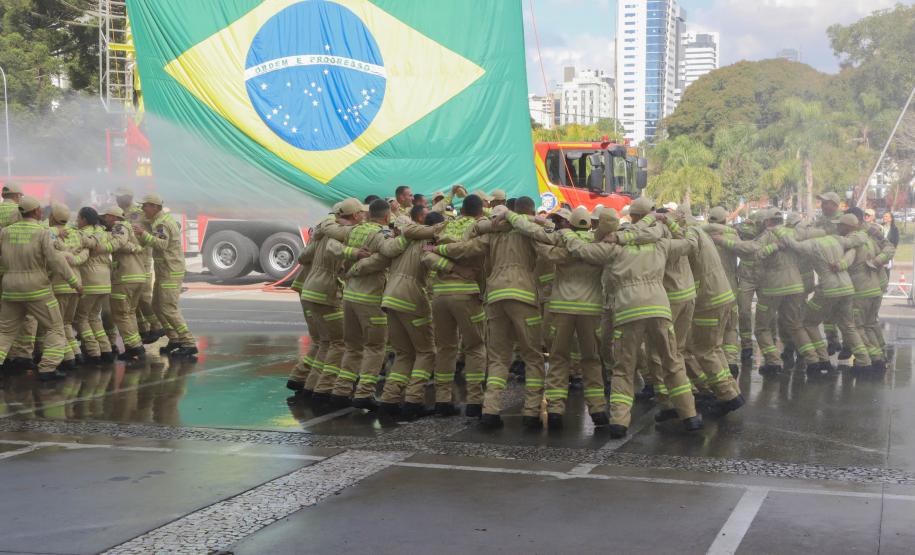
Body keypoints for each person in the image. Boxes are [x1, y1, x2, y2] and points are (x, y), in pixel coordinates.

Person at [560, 200, 703, 438]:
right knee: (672, 362)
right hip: (659, 309)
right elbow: (691, 243)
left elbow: (582, 251)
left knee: (623, 368)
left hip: (627, 311)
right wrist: (669, 223)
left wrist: (567, 234)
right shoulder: (660, 245)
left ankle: (619, 421)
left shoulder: (615, 248)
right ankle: (689, 415)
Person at [431, 197, 545, 430]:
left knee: (498, 357)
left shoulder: (493, 233)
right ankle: (532, 413)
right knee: (532, 355)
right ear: (529, 212)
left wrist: (437, 249)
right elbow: (550, 250)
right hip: (523, 296)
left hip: (495, 297)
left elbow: (466, 248)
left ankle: (490, 410)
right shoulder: (531, 231)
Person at [507, 206, 609, 430]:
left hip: (561, 307)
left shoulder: (563, 239)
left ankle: (554, 410)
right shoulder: (596, 244)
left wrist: (516, 218)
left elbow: (540, 242)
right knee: (591, 360)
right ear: (590, 225)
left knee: (558, 358)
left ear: (570, 224)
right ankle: (598, 410)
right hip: (591, 310)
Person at [320, 199, 392, 410]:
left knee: (352, 348)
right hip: (370, 299)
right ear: (387, 217)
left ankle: (341, 391)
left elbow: (332, 245)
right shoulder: (382, 234)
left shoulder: (354, 231)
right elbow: (386, 256)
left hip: (350, 297)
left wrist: (351, 261)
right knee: (375, 347)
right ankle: (364, 393)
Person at [420, 194, 489, 417]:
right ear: (480, 211)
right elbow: (482, 256)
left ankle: (442, 400)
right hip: (467, 294)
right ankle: (475, 401)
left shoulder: (444, 226)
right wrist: (461, 272)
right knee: (475, 347)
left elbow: (426, 255)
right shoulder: (479, 227)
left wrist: (447, 266)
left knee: (446, 348)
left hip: (439, 295)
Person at [0, 196, 82, 381]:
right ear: (36, 211)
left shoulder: (5, 232)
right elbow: (56, 260)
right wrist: (74, 283)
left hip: (10, 288)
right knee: (55, 328)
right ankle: (47, 368)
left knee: (4, 332)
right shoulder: (42, 232)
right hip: (37, 289)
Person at [132, 193, 198, 357]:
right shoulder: (158, 221)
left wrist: (143, 234)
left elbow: (162, 244)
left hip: (170, 271)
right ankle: (174, 338)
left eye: (145, 206)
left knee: (168, 309)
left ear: (154, 207)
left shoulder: (162, 224)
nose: (143, 209)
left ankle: (189, 343)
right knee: (157, 306)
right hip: (164, 271)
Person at [115, 186, 164, 344]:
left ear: (128, 197)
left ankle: (157, 326)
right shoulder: (121, 214)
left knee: (143, 297)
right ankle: (143, 329)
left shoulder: (139, 213)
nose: (116, 199)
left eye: (119, 196)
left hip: (142, 259)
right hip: (128, 261)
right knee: (132, 301)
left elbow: (159, 225)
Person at [100, 206, 148, 361]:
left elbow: (119, 242)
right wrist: (132, 247)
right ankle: (134, 344)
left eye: (106, 217)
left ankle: (134, 347)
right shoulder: (130, 228)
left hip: (125, 279)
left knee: (120, 314)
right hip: (138, 277)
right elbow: (129, 244)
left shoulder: (119, 226)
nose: (104, 220)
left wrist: (103, 248)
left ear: (113, 217)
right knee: (129, 313)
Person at [73, 207, 116, 364]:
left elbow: (77, 252)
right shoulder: (103, 232)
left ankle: (93, 351)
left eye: (78, 218)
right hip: (105, 281)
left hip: (90, 281)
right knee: (94, 317)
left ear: (84, 219)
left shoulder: (82, 234)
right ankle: (106, 350)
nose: (77, 221)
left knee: (80, 318)